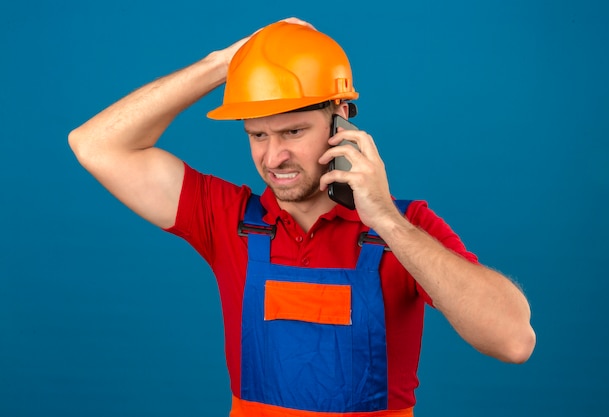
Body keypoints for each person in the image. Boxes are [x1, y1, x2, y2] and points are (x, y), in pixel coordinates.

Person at [69, 17, 535, 417]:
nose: (274, 157)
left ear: (342, 119)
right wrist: (225, 63)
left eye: (293, 131)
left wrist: (387, 221)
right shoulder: (227, 218)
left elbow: (513, 341)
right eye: (257, 135)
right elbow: (94, 145)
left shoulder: (406, 227)